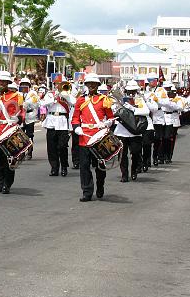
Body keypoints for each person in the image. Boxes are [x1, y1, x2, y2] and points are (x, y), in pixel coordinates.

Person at [71, 73, 115, 202]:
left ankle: (100, 185)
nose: (90, 86)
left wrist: (107, 123)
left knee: (100, 165)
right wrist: (76, 127)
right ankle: (87, 192)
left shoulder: (104, 99)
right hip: (84, 137)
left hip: (99, 136)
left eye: (93, 84)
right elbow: (75, 117)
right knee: (84, 166)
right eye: (88, 84)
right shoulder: (81, 100)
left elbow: (111, 117)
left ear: (97, 85)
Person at [114, 80, 149, 182]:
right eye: (129, 91)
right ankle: (124, 174)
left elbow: (146, 111)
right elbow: (113, 111)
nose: (131, 93)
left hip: (135, 131)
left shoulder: (139, 100)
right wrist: (120, 107)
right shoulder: (120, 99)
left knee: (135, 152)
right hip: (121, 131)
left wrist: (133, 108)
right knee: (122, 154)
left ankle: (134, 171)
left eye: (133, 91)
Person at [39, 80, 74, 177]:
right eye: (56, 84)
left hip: (62, 122)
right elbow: (42, 104)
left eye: (60, 84)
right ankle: (54, 168)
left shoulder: (67, 94)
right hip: (51, 121)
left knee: (62, 146)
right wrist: (54, 98)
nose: (58, 86)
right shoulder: (50, 94)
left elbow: (74, 102)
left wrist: (65, 96)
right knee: (51, 147)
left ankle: (64, 166)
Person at [159, 85, 184, 163]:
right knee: (162, 139)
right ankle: (161, 156)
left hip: (173, 119)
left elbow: (180, 108)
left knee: (170, 139)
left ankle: (168, 156)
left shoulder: (178, 99)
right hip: (163, 118)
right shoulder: (163, 98)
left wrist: (170, 104)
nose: (170, 93)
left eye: (172, 92)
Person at [20, 77, 39, 160]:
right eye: (22, 84)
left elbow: (35, 103)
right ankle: (21, 153)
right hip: (20, 116)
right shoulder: (18, 93)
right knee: (20, 136)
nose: (24, 86)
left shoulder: (33, 93)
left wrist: (26, 102)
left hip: (29, 116)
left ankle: (29, 152)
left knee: (29, 135)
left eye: (26, 84)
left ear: (29, 85)